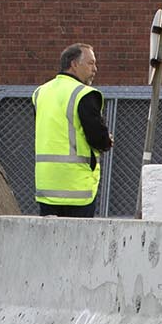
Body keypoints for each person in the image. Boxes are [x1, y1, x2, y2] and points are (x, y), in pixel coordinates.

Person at [32, 43, 112, 216]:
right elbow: (97, 137)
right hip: (76, 188)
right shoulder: (84, 94)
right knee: (79, 242)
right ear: (74, 64)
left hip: (46, 187)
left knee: (50, 241)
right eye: (91, 63)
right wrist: (107, 141)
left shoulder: (40, 92)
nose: (95, 69)